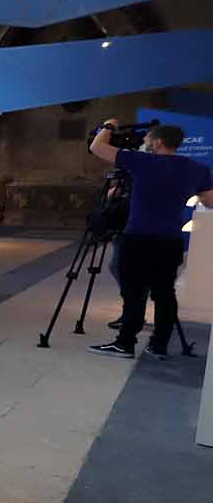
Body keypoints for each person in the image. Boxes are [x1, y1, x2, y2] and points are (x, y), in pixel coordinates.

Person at [87, 121, 213, 359]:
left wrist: (109, 126)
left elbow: (96, 147)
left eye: (148, 142)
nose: (146, 146)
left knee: (134, 292)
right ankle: (159, 345)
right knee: (165, 293)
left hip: (139, 238)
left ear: (157, 142)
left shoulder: (142, 161)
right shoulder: (197, 168)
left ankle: (125, 343)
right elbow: (210, 201)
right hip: (171, 240)